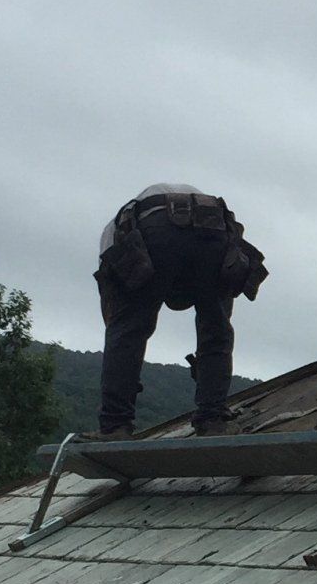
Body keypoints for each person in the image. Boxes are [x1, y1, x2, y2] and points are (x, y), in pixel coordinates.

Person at [96, 185, 266, 437]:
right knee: (216, 329)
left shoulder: (115, 240)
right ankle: (213, 421)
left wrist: (123, 355)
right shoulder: (119, 233)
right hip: (215, 228)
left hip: (154, 228)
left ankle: (115, 426)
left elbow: (116, 321)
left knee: (128, 332)